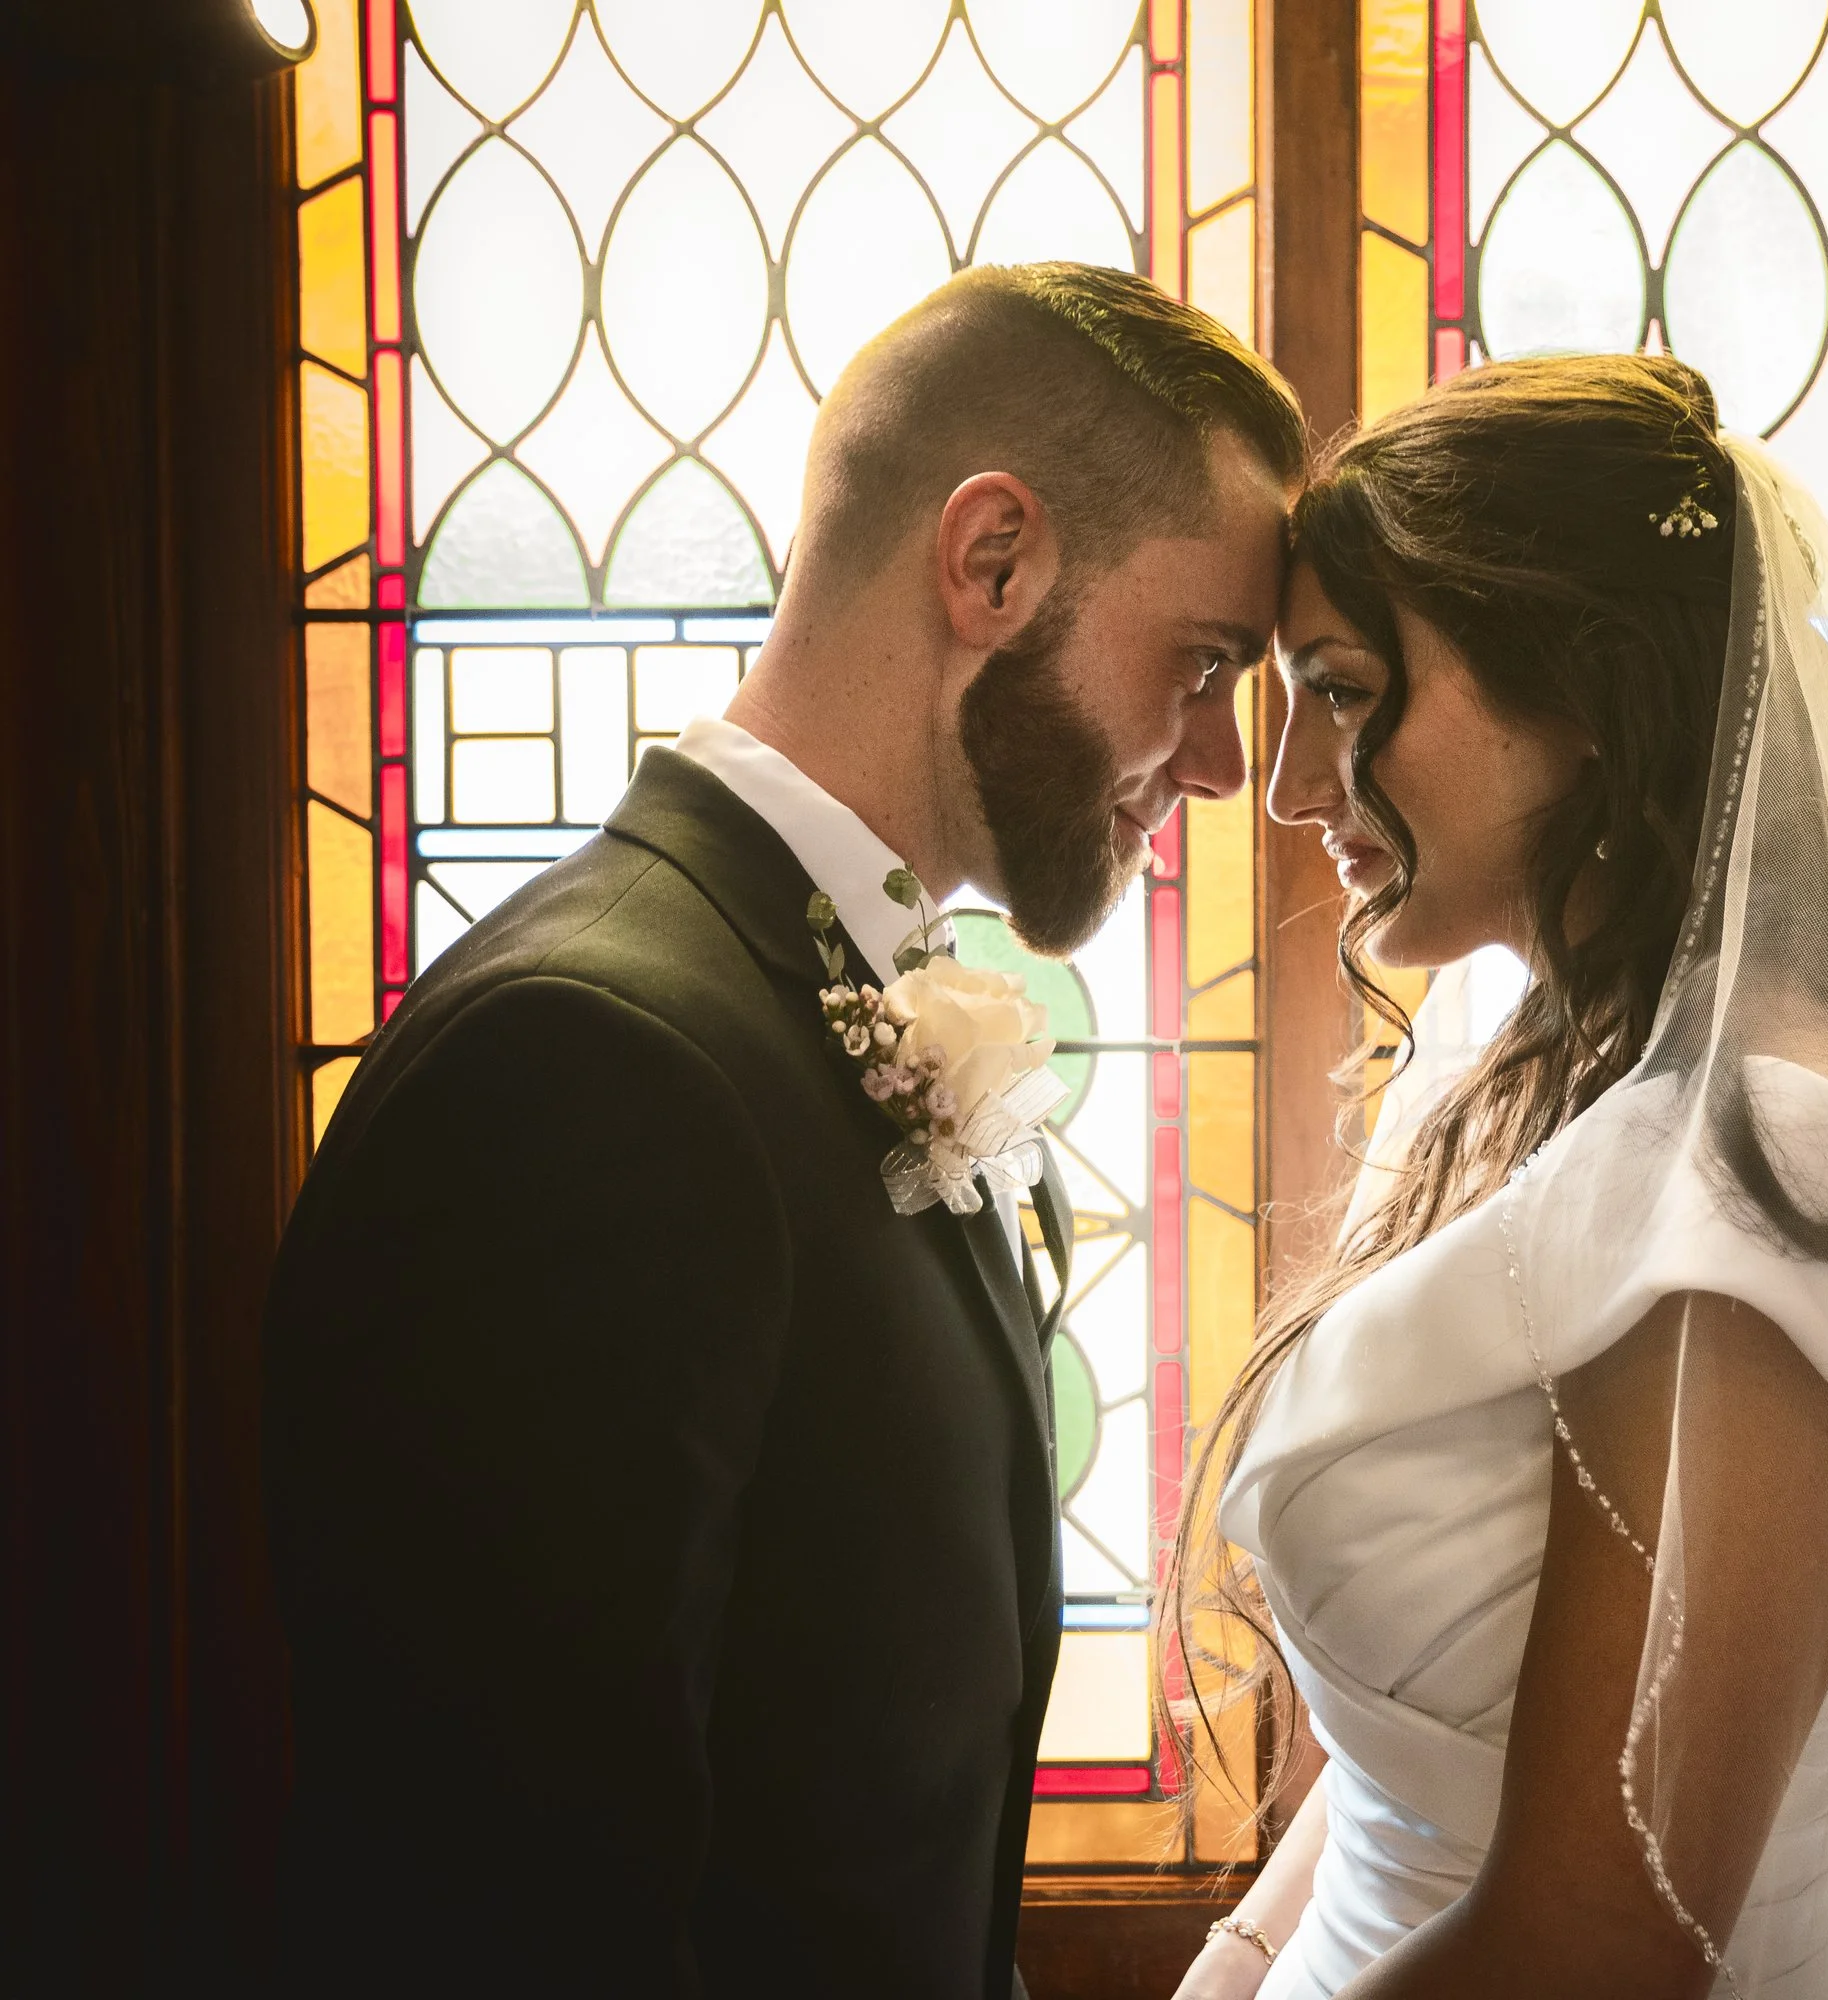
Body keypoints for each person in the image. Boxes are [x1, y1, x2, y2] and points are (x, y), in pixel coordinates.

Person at [261, 262, 1302, 1998]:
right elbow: (513, 1915)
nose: (1214, 757)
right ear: (993, 561)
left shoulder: (811, 1000)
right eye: (1202, 662)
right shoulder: (591, 1068)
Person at [1164, 354, 1828, 2000]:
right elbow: (1429, 1744)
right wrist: (1236, 1962)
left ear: (1584, 695)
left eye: (1346, 688)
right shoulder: (1517, 1072)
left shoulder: (1762, 1187)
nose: (1299, 787)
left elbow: (1600, 1948)